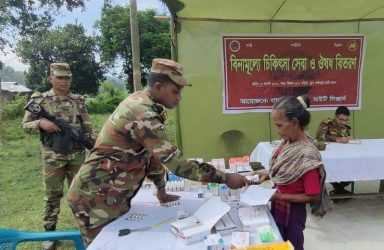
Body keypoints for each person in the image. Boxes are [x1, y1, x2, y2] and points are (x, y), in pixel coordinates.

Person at [67, 58, 248, 245]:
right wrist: (225, 178)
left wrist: (161, 190)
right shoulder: (142, 112)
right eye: (175, 92)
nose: (179, 98)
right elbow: (176, 164)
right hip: (93, 199)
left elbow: (152, 155)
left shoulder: (148, 106)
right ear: (159, 86)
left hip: (111, 195)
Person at [22, 63, 96, 250]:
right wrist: (40, 122)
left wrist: (96, 145)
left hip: (77, 155)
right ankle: (50, 235)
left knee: (81, 194)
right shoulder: (40, 100)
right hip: (52, 156)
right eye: (60, 77)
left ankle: (87, 231)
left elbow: (87, 128)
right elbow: (25, 125)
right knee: (52, 196)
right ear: (50, 78)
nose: (64, 81)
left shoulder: (78, 100)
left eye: (67, 78)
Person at [259, 95, 329, 250]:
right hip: (278, 206)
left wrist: (280, 196)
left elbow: (313, 195)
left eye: (279, 125)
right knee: (279, 243)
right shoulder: (287, 143)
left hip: (293, 214)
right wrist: (268, 173)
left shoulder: (306, 155)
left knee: (292, 246)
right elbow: (284, 169)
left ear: (295, 123)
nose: (277, 131)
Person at [316, 106, 354, 196]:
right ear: (335, 117)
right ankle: (340, 190)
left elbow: (346, 140)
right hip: (328, 155)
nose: (343, 122)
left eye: (346, 120)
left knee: (352, 168)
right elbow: (320, 137)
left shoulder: (346, 127)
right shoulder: (326, 123)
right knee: (329, 170)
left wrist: (348, 139)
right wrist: (337, 139)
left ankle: (339, 190)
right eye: (341, 120)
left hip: (343, 155)